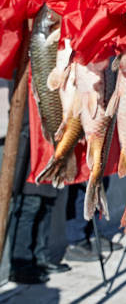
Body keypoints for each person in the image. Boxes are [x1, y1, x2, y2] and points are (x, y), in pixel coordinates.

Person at [6, 119, 70, 284]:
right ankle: (21, 263)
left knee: (47, 204)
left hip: (51, 143)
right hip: (31, 144)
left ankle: (40, 257)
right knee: (29, 205)